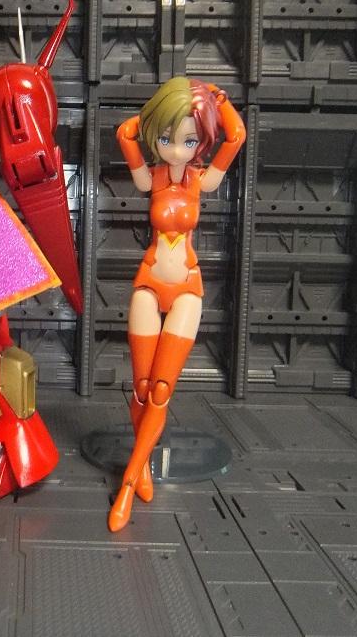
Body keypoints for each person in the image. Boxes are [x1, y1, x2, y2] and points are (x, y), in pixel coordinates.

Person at [109, 77, 246, 531]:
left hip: (187, 286)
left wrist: (217, 101)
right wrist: (158, 112)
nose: (176, 149)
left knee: (162, 389)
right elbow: (125, 133)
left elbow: (236, 136)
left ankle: (128, 484)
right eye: (167, 139)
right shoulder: (149, 178)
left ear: (201, 141)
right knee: (141, 388)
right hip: (148, 282)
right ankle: (143, 464)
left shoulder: (202, 181)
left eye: (188, 140)